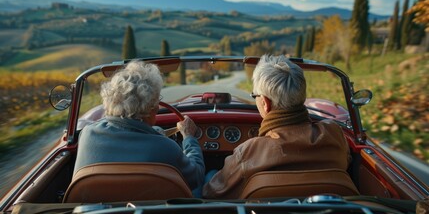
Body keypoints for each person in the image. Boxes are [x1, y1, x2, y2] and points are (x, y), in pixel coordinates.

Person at [203, 54, 351, 199]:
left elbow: (211, 193)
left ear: (265, 103)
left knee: (211, 176)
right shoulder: (334, 134)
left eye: (255, 96)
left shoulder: (247, 153)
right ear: (302, 96)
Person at [73, 60, 205, 196]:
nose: (158, 106)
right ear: (150, 107)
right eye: (156, 100)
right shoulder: (165, 147)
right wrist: (189, 137)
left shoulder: (87, 134)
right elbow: (196, 176)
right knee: (210, 176)